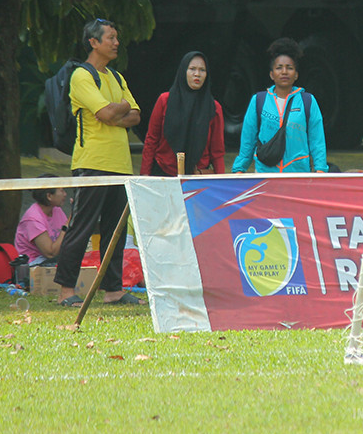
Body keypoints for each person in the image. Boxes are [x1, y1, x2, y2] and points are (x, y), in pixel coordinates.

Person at [54, 18, 143, 307]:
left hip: (120, 165)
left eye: (117, 38)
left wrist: (115, 110)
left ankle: (113, 290)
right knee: (81, 227)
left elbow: (135, 115)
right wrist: (119, 109)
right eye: (110, 38)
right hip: (92, 163)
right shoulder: (82, 75)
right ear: (93, 42)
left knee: (115, 231)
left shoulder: (116, 77)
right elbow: (107, 114)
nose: (116, 43)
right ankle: (66, 290)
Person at [233, 37, 328, 174]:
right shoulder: (259, 101)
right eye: (279, 68)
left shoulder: (308, 101)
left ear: (296, 75)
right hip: (266, 176)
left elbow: (317, 140)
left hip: (298, 176)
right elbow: (248, 140)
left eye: (289, 68)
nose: (284, 72)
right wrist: (239, 169)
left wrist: (320, 170)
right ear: (272, 74)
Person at [141, 51, 225, 176]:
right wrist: (144, 177)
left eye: (202, 70)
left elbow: (217, 152)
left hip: (197, 177)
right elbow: (151, 140)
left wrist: (221, 183)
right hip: (163, 173)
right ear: (183, 71)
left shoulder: (214, 108)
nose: (197, 74)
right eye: (192, 69)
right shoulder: (165, 101)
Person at [15, 175, 69, 266]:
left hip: (51, 260)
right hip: (33, 264)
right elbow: (50, 253)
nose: (65, 194)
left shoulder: (56, 210)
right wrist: (67, 226)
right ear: (49, 196)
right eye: (62, 190)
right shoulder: (33, 219)